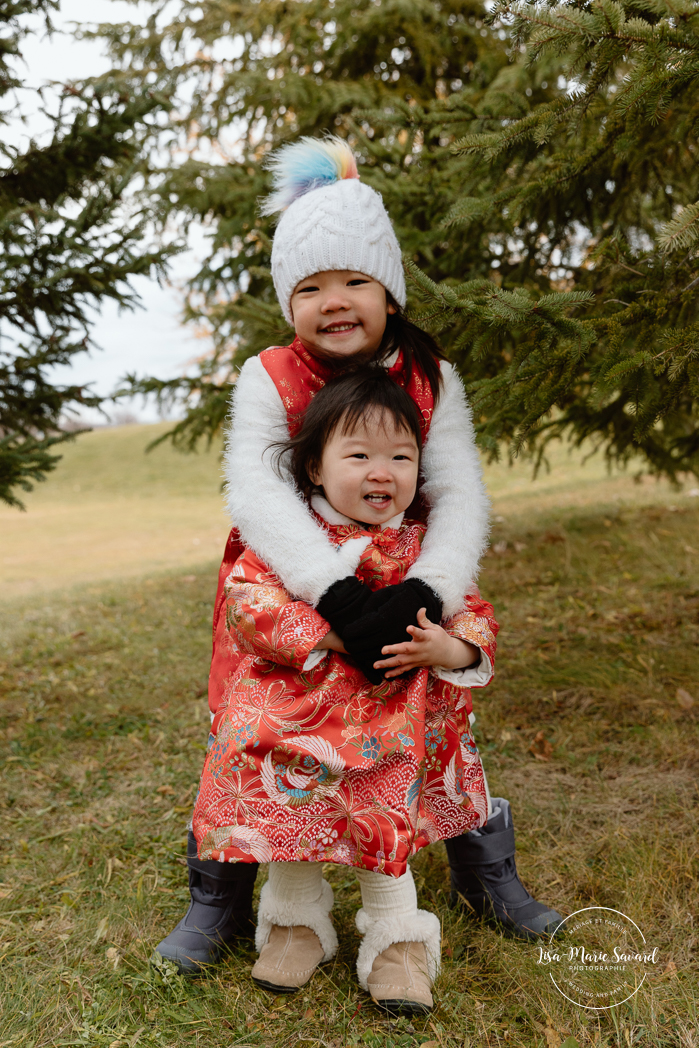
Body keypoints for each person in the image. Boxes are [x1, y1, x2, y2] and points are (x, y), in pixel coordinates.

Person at [154, 135, 562, 976]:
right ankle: (225, 894)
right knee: (254, 726)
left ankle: (480, 872)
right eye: (310, 287)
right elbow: (258, 494)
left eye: (353, 280)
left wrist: (425, 589)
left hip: (408, 571)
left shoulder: (428, 375)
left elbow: (458, 496)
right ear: (287, 301)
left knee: (437, 727)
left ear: (387, 288)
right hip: (295, 573)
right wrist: (335, 600)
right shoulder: (268, 374)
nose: (334, 302)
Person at [193, 366, 497, 1013]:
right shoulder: (287, 540)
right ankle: (295, 923)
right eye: (358, 455)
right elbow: (247, 602)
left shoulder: (422, 546)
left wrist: (449, 647)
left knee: (379, 819)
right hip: (293, 717)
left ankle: (396, 940)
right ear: (314, 468)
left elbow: (471, 611)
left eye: (400, 456)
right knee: (290, 814)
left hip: (388, 723)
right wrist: (334, 635)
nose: (380, 472)